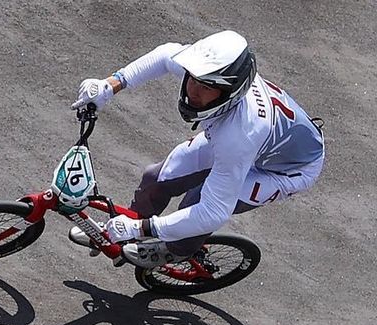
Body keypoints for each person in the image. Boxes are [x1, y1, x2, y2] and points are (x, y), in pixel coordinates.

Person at [68, 30, 324, 268]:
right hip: (254, 143)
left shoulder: (238, 136)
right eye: (193, 80)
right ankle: (121, 230)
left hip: (284, 170)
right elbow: (164, 55)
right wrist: (111, 84)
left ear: (230, 92)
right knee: (156, 178)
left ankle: (177, 250)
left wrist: (142, 229)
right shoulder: (208, 71)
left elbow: (213, 213)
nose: (193, 92)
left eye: (206, 88)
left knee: (198, 200)